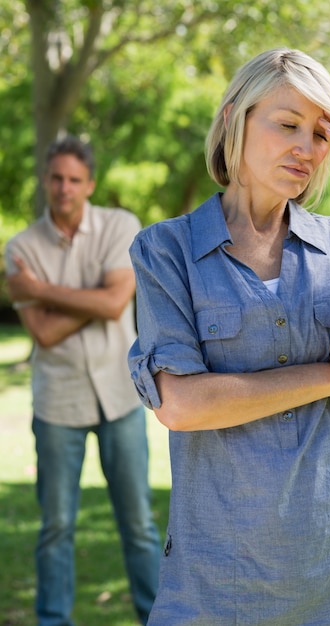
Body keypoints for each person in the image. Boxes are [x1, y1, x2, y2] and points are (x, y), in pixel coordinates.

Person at [127, 48, 330, 625]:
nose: (305, 149)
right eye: (287, 125)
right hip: (221, 580)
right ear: (235, 119)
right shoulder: (167, 251)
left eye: (319, 133)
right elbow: (182, 405)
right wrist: (329, 381)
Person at [5, 135, 161, 626]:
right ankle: (54, 621)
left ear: (89, 184)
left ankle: (158, 617)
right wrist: (95, 295)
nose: (64, 188)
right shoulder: (20, 248)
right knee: (55, 527)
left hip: (120, 396)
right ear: (45, 181)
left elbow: (116, 305)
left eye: (74, 179)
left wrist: (43, 291)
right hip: (57, 404)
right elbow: (45, 333)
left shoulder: (121, 226)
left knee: (138, 525)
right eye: (56, 178)